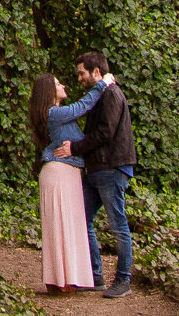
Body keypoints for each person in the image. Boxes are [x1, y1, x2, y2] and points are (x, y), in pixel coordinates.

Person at [29, 70, 108, 294]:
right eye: (58, 83)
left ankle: (68, 279)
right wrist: (102, 85)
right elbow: (81, 107)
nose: (63, 85)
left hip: (68, 173)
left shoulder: (56, 114)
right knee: (61, 226)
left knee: (69, 226)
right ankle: (60, 281)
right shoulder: (54, 112)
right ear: (49, 92)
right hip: (59, 173)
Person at [70, 51, 137, 298]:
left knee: (118, 226)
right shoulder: (100, 94)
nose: (79, 78)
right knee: (83, 220)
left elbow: (105, 133)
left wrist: (74, 148)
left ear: (96, 72)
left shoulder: (111, 94)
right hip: (96, 169)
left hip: (111, 168)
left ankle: (123, 281)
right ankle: (95, 276)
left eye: (82, 73)